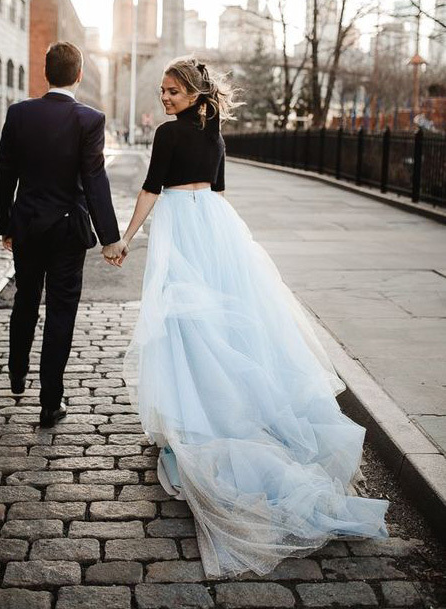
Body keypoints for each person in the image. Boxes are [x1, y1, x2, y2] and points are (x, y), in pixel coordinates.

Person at [120, 56, 390, 578]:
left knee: (184, 327)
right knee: (218, 325)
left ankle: (192, 421)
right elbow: (217, 191)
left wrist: (128, 238)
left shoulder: (168, 136)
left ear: (195, 94)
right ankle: (209, 412)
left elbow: (153, 188)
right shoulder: (215, 138)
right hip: (216, 229)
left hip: (181, 228)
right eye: (163, 91)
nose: (165, 97)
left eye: (172, 90)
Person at [0, 41, 127, 428]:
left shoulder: (19, 114)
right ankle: (50, 402)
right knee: (61, 312)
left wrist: (6, 226)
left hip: (29, 228)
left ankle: (17, 372)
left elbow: (4, 177)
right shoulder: (90, 119)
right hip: (68, 231)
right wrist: (110, 237)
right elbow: (95, 180)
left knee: (26, 300)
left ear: (46, 73)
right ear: (79, 75)